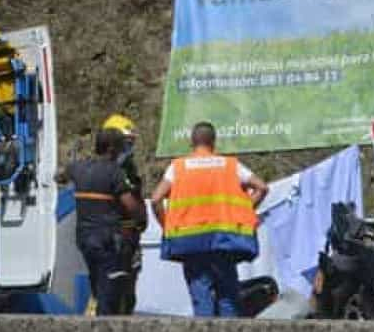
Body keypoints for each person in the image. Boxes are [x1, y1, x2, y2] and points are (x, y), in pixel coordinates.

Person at [150, 122, 268, 317]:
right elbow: (262, 187)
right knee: (228, 297)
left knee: (201, 298)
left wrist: (167, 226)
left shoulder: (177, 167)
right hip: (223, 241)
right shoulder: (230, 165)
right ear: (213, 142)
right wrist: (245, 210)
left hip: (191, 243)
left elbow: (155, 199)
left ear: (192, 142)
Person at [61, 128, 146, 316]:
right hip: (107, 240)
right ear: (111, 148)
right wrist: (141, 220)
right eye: (120, 147)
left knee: (98, 284)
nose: (122, 151)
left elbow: (61, 175)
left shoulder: (79, 167)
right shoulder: (114, 172)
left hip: (84, 239)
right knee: (109, 292)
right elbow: (130, 205)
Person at [102, 114, 146, 314]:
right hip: (110, 240)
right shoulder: (100, 171)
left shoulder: (129, 169)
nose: (129, 149)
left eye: (131, 144)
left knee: (128, 296)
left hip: (130, 239)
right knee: (109, 295)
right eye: (126, 143)